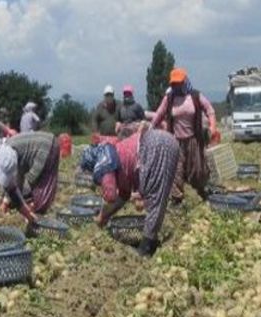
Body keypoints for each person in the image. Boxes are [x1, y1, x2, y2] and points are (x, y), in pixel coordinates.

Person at [88, 123, 179, 257]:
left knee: (156, 196)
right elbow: (123, 196)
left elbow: (111, 196)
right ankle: (150, 238)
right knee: (155, 194)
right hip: (158, 143)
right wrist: (105, 216)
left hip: (158, 147)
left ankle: (147, 245)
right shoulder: (110, 157)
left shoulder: (105, 167)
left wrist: (102, 216)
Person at [151, 68, 220, 203]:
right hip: (176, 141)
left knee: (197, 170)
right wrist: (151, 126)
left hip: (194, 139)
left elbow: (210, 110)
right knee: (176, 170)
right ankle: (177, 199)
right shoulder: (169, 98)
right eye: (174, 84)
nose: (176, 86)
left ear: (184, 81)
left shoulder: (195, 96)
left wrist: (212, 127)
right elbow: (159, 113)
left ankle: (201, 192)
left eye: (179, 83)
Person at [3, 132, 59, 213]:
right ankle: (35, 205)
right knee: (37, 181)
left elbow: (17, 179)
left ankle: (36, 210)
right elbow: (17, 177)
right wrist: (7, 198)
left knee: (35, 180)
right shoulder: (6, 150)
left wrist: (22, 201)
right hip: (49, 141)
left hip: (45, 148)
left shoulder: (7, 155)